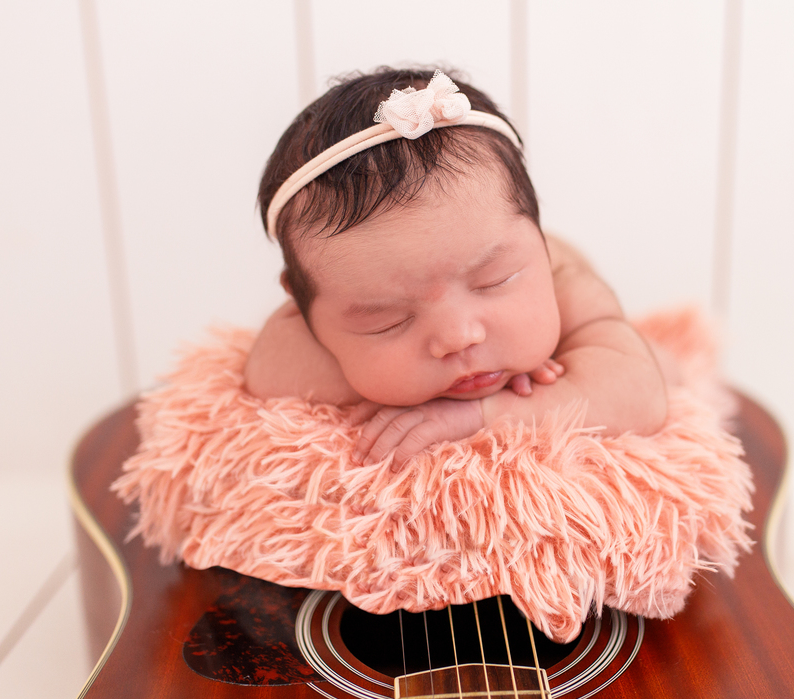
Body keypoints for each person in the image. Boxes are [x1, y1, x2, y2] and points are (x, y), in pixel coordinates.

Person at [245, 67, 667, 470]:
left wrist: (483, 413)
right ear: (304, 311)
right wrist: (403, 389)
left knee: (671, 364)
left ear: (538, 240)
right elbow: (268, 370)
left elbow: (641, 397)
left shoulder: (567, 285)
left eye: (493, 281)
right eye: (388, 320)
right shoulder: (313, 317)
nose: (459, 338)